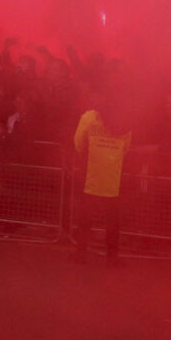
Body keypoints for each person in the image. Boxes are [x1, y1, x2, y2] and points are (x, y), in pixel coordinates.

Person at [72, 96, 132, 266]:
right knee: (112, 221)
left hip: (90, 174)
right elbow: (126, 148)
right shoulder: (125, 121)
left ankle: (80, 253)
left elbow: (78, 143)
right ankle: (112, 258)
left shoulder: (89, 117)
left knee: (85, 218)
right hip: (114, 177)